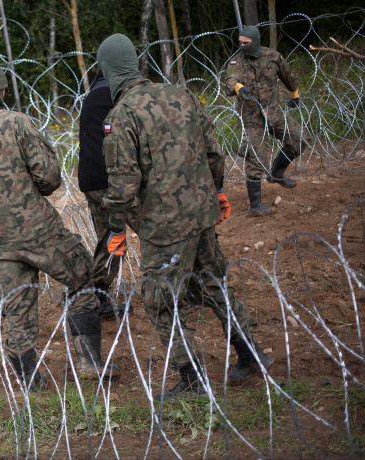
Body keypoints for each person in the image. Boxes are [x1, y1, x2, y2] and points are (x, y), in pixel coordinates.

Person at [97, 34, 273, 401]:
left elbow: (123, 184)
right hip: (202, 211)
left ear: (108, 71)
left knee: (161, 299)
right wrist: (219, 192)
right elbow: (213, 150)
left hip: (165, 227)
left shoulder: (122, 115)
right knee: (214, 283)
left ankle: (192, 380)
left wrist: (116, 229)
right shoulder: (180, 94)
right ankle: (250, 354)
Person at [0, 61, 120, 391]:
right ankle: (88, 361)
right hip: (40, 230)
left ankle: (29, 384)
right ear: (0, 91)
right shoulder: (16, 123)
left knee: (18, 306)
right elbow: (49, 178)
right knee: (82, 275)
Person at [224, 25, 308, 216]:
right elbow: (229, 82)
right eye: (240, 42)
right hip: (252, 117)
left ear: (255, 41)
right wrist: (239, 88)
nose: (242, 45)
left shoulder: (272, 56)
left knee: (298, 139)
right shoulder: (236, 62)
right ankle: (256, 206)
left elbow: (287, 74)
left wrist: (294, 95)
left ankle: (277, 173)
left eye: (246, 42)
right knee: (256, 159)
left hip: (274, 112)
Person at [78, 72, 131, 319]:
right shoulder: (112, 94)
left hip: (91, 179)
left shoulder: (93, 95)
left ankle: (98, 298)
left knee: (108, 238)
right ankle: (177, 287)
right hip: (111, 180)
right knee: (156, 231)